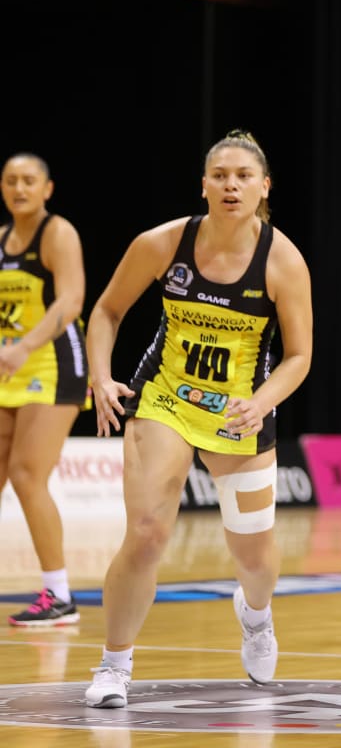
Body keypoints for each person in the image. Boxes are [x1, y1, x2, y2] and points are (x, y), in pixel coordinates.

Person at [82, 130, 313, 708]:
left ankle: (255, 615)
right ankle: (113, 665)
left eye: (242, 176)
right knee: (146, 533)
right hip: (165, 399)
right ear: (204, 184)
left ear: (264, 187)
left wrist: (261, 403)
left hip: (240, 412)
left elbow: (299, 356)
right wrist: (99, 373)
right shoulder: (162, 243)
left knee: (254, 558)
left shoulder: (282, 259)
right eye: (219, 175)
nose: (230, 184)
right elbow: (107, 311)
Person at [0, 153, 90, 627]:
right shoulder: (0, 241)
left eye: (28, 180)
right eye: (11, 180)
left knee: (27, 474)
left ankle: (59, 596)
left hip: (54, 364)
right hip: (9, 368)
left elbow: (72, 300)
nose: (19, 188)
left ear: (47, 189)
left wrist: (23, 348)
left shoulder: (57, 233)